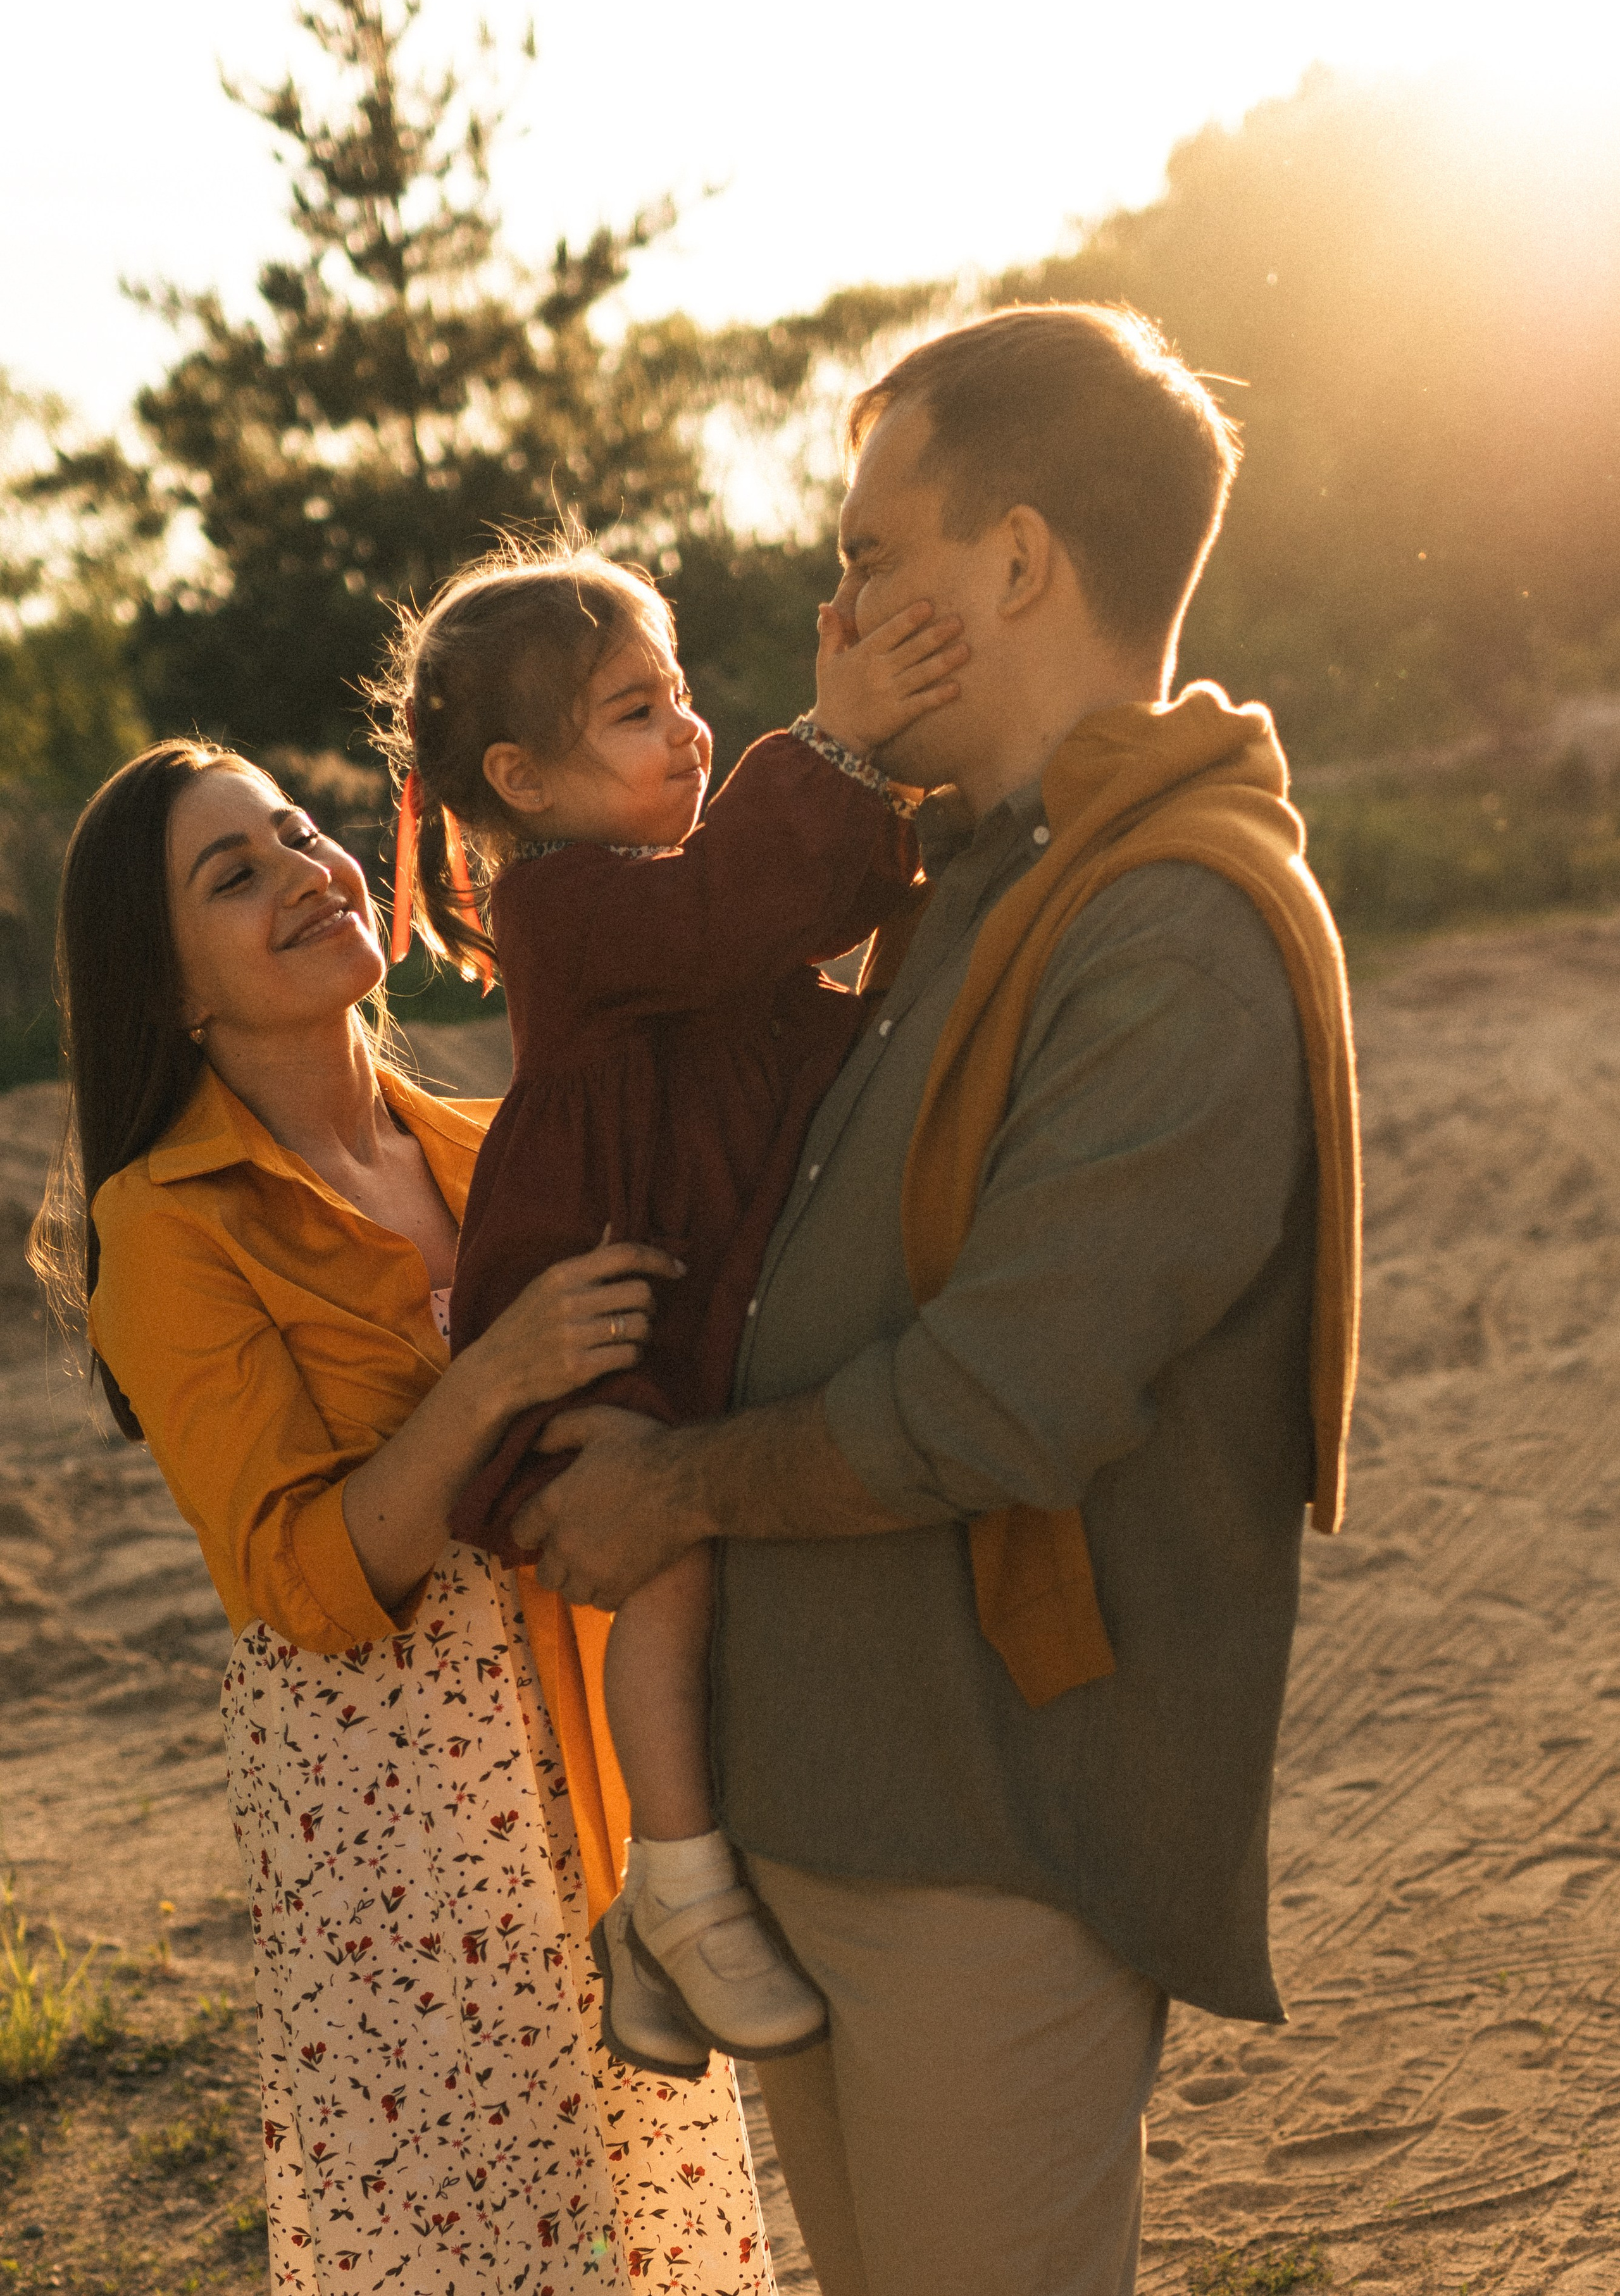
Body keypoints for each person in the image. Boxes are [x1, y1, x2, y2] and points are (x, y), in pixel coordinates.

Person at [507, 305, 1362, 2296]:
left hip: (983, 1846)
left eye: (873, 553)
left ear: (1021, 564)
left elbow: (999, 1406)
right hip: (827, 1805)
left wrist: (679, 1495)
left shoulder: (1171, 925)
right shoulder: (974, 876)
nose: (841, 600)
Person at [29, 739, 776, 2295]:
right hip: (392, 1798)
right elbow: (295, 1577)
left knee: (642, 2212)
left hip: (579, 1726)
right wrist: (495, 1372)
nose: (308, 869)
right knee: (474, 2239)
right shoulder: (162, 1224)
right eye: (234, 874)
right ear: (165, 988)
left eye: (301, 832)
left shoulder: (476, 1140)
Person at [375, 545, 966, 2071]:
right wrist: (830, 747)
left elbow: (800, 919)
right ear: (525, 777)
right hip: (609, 1297)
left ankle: (654, 1914)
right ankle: (681, 1883)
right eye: (639, 712)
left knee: (721, 1558)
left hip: (701, 1274)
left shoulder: (668, 897)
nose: (690, 729)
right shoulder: (568, 908)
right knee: (675, 1554)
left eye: (684, 693)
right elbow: (734, 915)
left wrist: (896, 799)